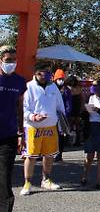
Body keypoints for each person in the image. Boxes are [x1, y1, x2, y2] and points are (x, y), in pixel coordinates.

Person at [21, 62, 65, 196]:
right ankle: (27, 182)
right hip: (33, 127)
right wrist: (33, 117)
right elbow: (24, 108)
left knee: (49, 155)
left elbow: (60, 106)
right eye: (44, 71)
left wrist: (63, 124)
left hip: (51, 126)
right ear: (37, 72)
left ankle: (46, 180)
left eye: (48, 71)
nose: (47, 74)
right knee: (31, 156)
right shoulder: (29, 87)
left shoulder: (53, 87)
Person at [0, 46, 26, 212]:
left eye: (14, 60)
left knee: (4, 178)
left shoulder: (19, 82)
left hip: (8, 136)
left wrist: (21, 133)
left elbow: (21, 108)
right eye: (8, 60)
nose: (11, 63)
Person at [53, 69, 70, 162]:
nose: (61, 80)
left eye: (62, 78)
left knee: (61, 135)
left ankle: (59, 154)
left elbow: (68, 104)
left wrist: (65, 114)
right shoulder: (51, 88)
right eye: (59, 78)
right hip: (52, 115)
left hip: (62, 116)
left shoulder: (66, 90)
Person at [66, 76, 84, 146]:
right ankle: (76, 141)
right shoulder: (78, 87)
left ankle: (70, 141)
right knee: (76, 126)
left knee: (71, 125)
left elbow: (82, 98)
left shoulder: (69, 88)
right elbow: (82, 98)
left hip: (73, 107)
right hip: (75, 107)